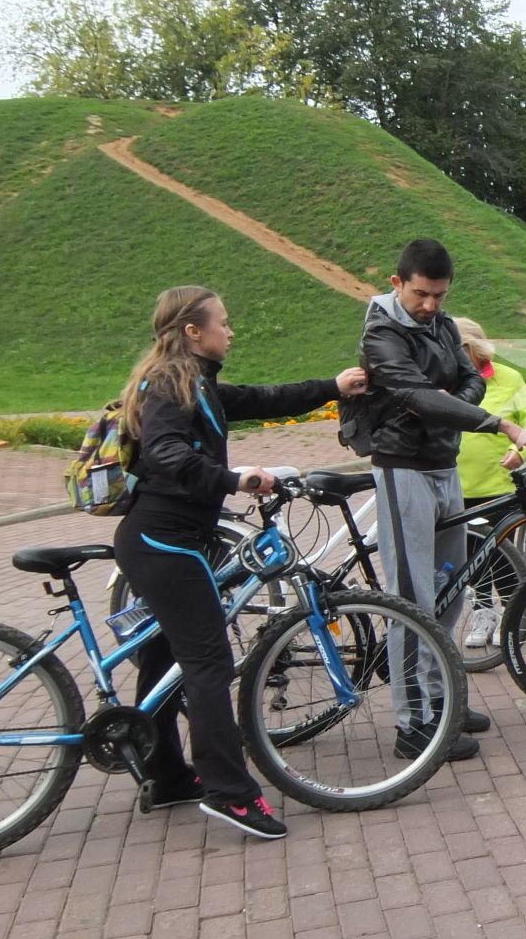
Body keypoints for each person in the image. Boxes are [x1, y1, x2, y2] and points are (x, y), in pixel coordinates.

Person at [114, 286, 367, 839]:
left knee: (165, 660)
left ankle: (166, 777)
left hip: (173, 539)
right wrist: (235, 478)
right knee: (208, 665)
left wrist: (332, 387)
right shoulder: (168, 386)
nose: (231, 331)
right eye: (223, 323)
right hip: (164, 543)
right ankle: (231, 794)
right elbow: (166, 452)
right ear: (192, 333)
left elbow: (263, 398)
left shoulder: (196, 383)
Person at [360, 239, 526, 762]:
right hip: (403, 470)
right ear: (397, 284)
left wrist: (441, 408)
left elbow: (470, 381)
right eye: (421, 294)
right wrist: (476, 416)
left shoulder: (444, 326)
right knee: (410, 600)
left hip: (445, 466)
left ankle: (441, 702)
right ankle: (413, 725)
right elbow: (418, 394)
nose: (430, 305)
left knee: (450, 592)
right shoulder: (381, 333)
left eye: (439, 295)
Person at [453, 317, 526, 649]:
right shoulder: (448, 380)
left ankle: (512, 615)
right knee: (473, 561)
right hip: (458, 488)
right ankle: (484, 613)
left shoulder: (507, 378)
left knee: (502, 559)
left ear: (472, 348)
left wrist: (519, 450)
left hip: (499, 488)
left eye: (457, 348)